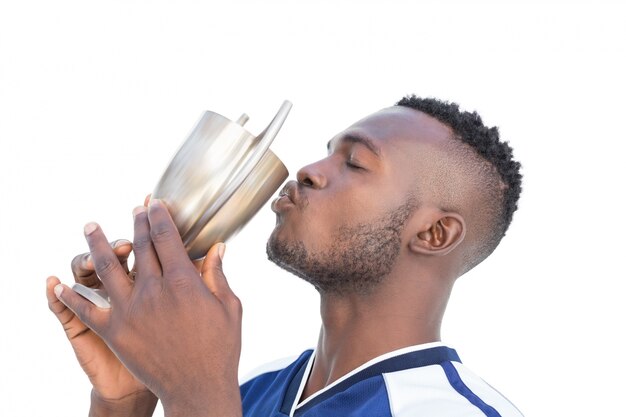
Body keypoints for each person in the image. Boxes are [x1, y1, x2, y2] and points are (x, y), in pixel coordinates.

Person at [46, 95, 524, 417]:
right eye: (326, 154)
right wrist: (126, 399)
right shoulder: (253, 391)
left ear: (435, 233)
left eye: (355, 163)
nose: (309, 171)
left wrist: (194, 393)